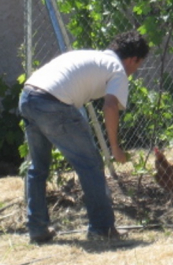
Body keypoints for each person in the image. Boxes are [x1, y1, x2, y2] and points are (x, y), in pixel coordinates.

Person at [19, 30, 149, 243]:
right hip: (54, 103)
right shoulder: (117, 68)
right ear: (133, 59)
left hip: (28, 97)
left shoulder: (91, 57)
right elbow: (110, 105)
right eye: (138, 65)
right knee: (90, 165)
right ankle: (102, 229)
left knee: (38, 167)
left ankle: (37, 228)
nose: (135, 71)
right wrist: (115, 147)